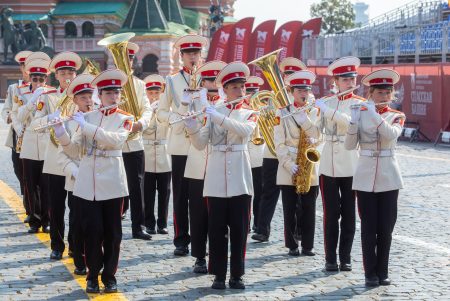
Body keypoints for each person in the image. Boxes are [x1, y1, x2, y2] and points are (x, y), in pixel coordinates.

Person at [52, 69, 133, 294]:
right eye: (108, 93)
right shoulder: (88, 116)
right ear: (100, 94)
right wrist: (61, 133)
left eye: (116, 93)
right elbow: (74, 148)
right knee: (92, 231)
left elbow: (115, 141)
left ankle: (109, 276)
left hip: (113, 183)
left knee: (113, 235)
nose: (113, 97)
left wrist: (86, 126)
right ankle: (92, 276)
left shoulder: (125, 118)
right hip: (88, 183)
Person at [185, 61, 257, 290]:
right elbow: (199, 143)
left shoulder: (250, 112)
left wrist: (217, 117)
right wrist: (192, 125)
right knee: (216, 230)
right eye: (234, 87)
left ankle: (237, 274)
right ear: (224, 89)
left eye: (242, 87)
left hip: (240, 178)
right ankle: (218, 274)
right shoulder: (214, 112)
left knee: (239, 229)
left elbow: (244, 132)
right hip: (215, 178)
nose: (240, 91)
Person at [344, 68, 405, 287]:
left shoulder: (396, 116)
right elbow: (350, 146)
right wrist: (352, 123)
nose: (384, 96)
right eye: (380, 92)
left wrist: (371, 114)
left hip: (389, 177)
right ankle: (370, 272)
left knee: (386, 229)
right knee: (369, 229)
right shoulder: (360, 112)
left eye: (388, 92)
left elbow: (391, 134)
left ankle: (383, 271)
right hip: (365, 176)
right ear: (371, 93)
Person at [157, 34, 208, 256]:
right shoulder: (172, 81)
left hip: (201, 144)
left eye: (196, 53)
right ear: (181, 56)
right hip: (179, 143)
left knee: (201, 195)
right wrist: (178, 115)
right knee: (180, 195)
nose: (192, 57)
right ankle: (180, 238)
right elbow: (160, 112)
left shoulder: (208, 79)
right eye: (188, 54)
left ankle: (200, 238)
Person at [314, 56, 365, 272]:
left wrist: (327, 111)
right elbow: (316, 131)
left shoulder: (360, 104)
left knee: (349, 215)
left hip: (351, 162)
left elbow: (350, 123)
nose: (350, 82)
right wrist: (300, 116)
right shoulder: (326, 102)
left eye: (352, 78)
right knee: (331, 214)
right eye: (345, 79)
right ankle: (330, 258)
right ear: (336, 81)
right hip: (328, 164)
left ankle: (345, 257)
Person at [31, 51, 82, 260]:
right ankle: (56, 245)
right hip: (54, 160)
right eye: (63, 73)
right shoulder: (47, 96)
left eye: (71, 72)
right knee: (55, 207)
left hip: (75, 158)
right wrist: (48, 121)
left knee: (77, 206)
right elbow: (35, 125)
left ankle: (75, 244)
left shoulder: (82, 95)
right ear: (56, 75)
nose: (67, 76)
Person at [252, 57, 307, 242]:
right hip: (273, 151)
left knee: (298, 194)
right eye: (287, 75)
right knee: (268, 191)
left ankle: (299, 230)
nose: (289, 78)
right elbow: (265, 116)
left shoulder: (308, 97)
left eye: (293, 75)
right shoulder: (273, 97)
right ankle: (262, 229)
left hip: (297, 153)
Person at [179, 60, 226, 273]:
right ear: (203, 81)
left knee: (219, 215)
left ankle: (218, 255)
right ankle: (199, 256)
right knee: (197, 215)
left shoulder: (228, 102)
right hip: (197, 163)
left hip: (221, 166)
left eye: (216, 81)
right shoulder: (194, 100)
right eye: (209, 80)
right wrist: (184, 105)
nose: (213, 85)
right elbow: (181, 126)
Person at [275, 70, 321, 257]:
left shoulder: (315, 111)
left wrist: (307, 123)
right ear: (291, 91)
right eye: (299, 90)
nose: (304, 93)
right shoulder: (283, 112)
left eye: (306, 90)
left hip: (309, 162)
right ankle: (292, 245)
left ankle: (308, 245)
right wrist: (288, 164)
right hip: (290, 163)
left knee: (309, 207)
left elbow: (319, 136)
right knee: (290, 207)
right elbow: (278, 142)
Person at [56, 73, 96, 275]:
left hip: (99, 180)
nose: (88, 101)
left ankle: (96, 259)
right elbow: (62, 155)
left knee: (97, 224)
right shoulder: (68, 122)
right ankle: (79, 261)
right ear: (74, 100)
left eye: (90, 96)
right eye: (83, 98)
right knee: (78, 222)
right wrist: (75, 171)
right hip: (77, 179)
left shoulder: (101, 118)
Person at [17, 53, 55, 234]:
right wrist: (32, 100)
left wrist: (38, 123)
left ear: (46, 78)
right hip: (29, 144)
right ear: (29, 77)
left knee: (46, 185)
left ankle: (47, 219)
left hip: (46, 143)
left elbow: (54, 117)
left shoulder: (52, 93)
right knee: (30, 185)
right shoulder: (21, 92)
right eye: (35, 78)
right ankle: (34, 218)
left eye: (41, 79)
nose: (38, 82)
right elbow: (19, 116)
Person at [120, 42, 153, 240]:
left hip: (134, 142)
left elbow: (147, 109)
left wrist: (140, 124)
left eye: (129, 58)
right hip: (113, 144)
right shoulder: (110, 83)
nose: (127, 61)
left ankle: (137, 227)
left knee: (136, 186)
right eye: (122, 57)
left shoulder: (139, 85)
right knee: (114, 186)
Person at [2, 50, 32, 222]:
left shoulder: (42, 87)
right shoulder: (14, 88)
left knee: (36, 174)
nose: (27, 69)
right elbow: (6, 109)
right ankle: (29, 203)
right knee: (19, 170)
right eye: (24, 66)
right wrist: (10, 117)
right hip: (17, 136)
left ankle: (35, 209)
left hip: (36, 136)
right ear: (21, 68)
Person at [142, 74, 171, 235]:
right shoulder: (143, 111)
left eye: (157, 93)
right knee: (147, 191)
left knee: (165, 191)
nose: (154, 96)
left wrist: (159, 113)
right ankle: (149, 223)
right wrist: (151, 115)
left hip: (164, 153)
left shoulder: (168, 110)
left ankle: (162, 223)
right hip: (147, 153)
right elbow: (144, 130)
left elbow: (170, 126)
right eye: (151, 93)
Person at [244, 76, 264, 232]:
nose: (252, 96)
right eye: (249, 92)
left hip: (258, 155)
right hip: (243, 155)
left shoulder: (264, 109)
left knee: (259, 191)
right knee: (244, 193)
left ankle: (258, 222)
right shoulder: (241, 108)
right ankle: (246, 222)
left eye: (254, 93)